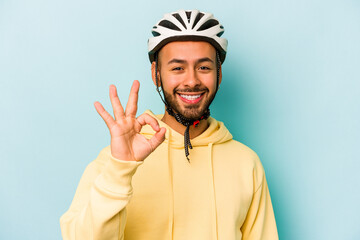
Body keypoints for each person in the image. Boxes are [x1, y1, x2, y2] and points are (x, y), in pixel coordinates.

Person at [60, 9, 279, 240]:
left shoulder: (246, 164)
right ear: (156, 74)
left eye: (204, 67)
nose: (192, 80)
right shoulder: (114, 161)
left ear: (219, 74)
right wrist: (120, 169)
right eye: (177, 68)